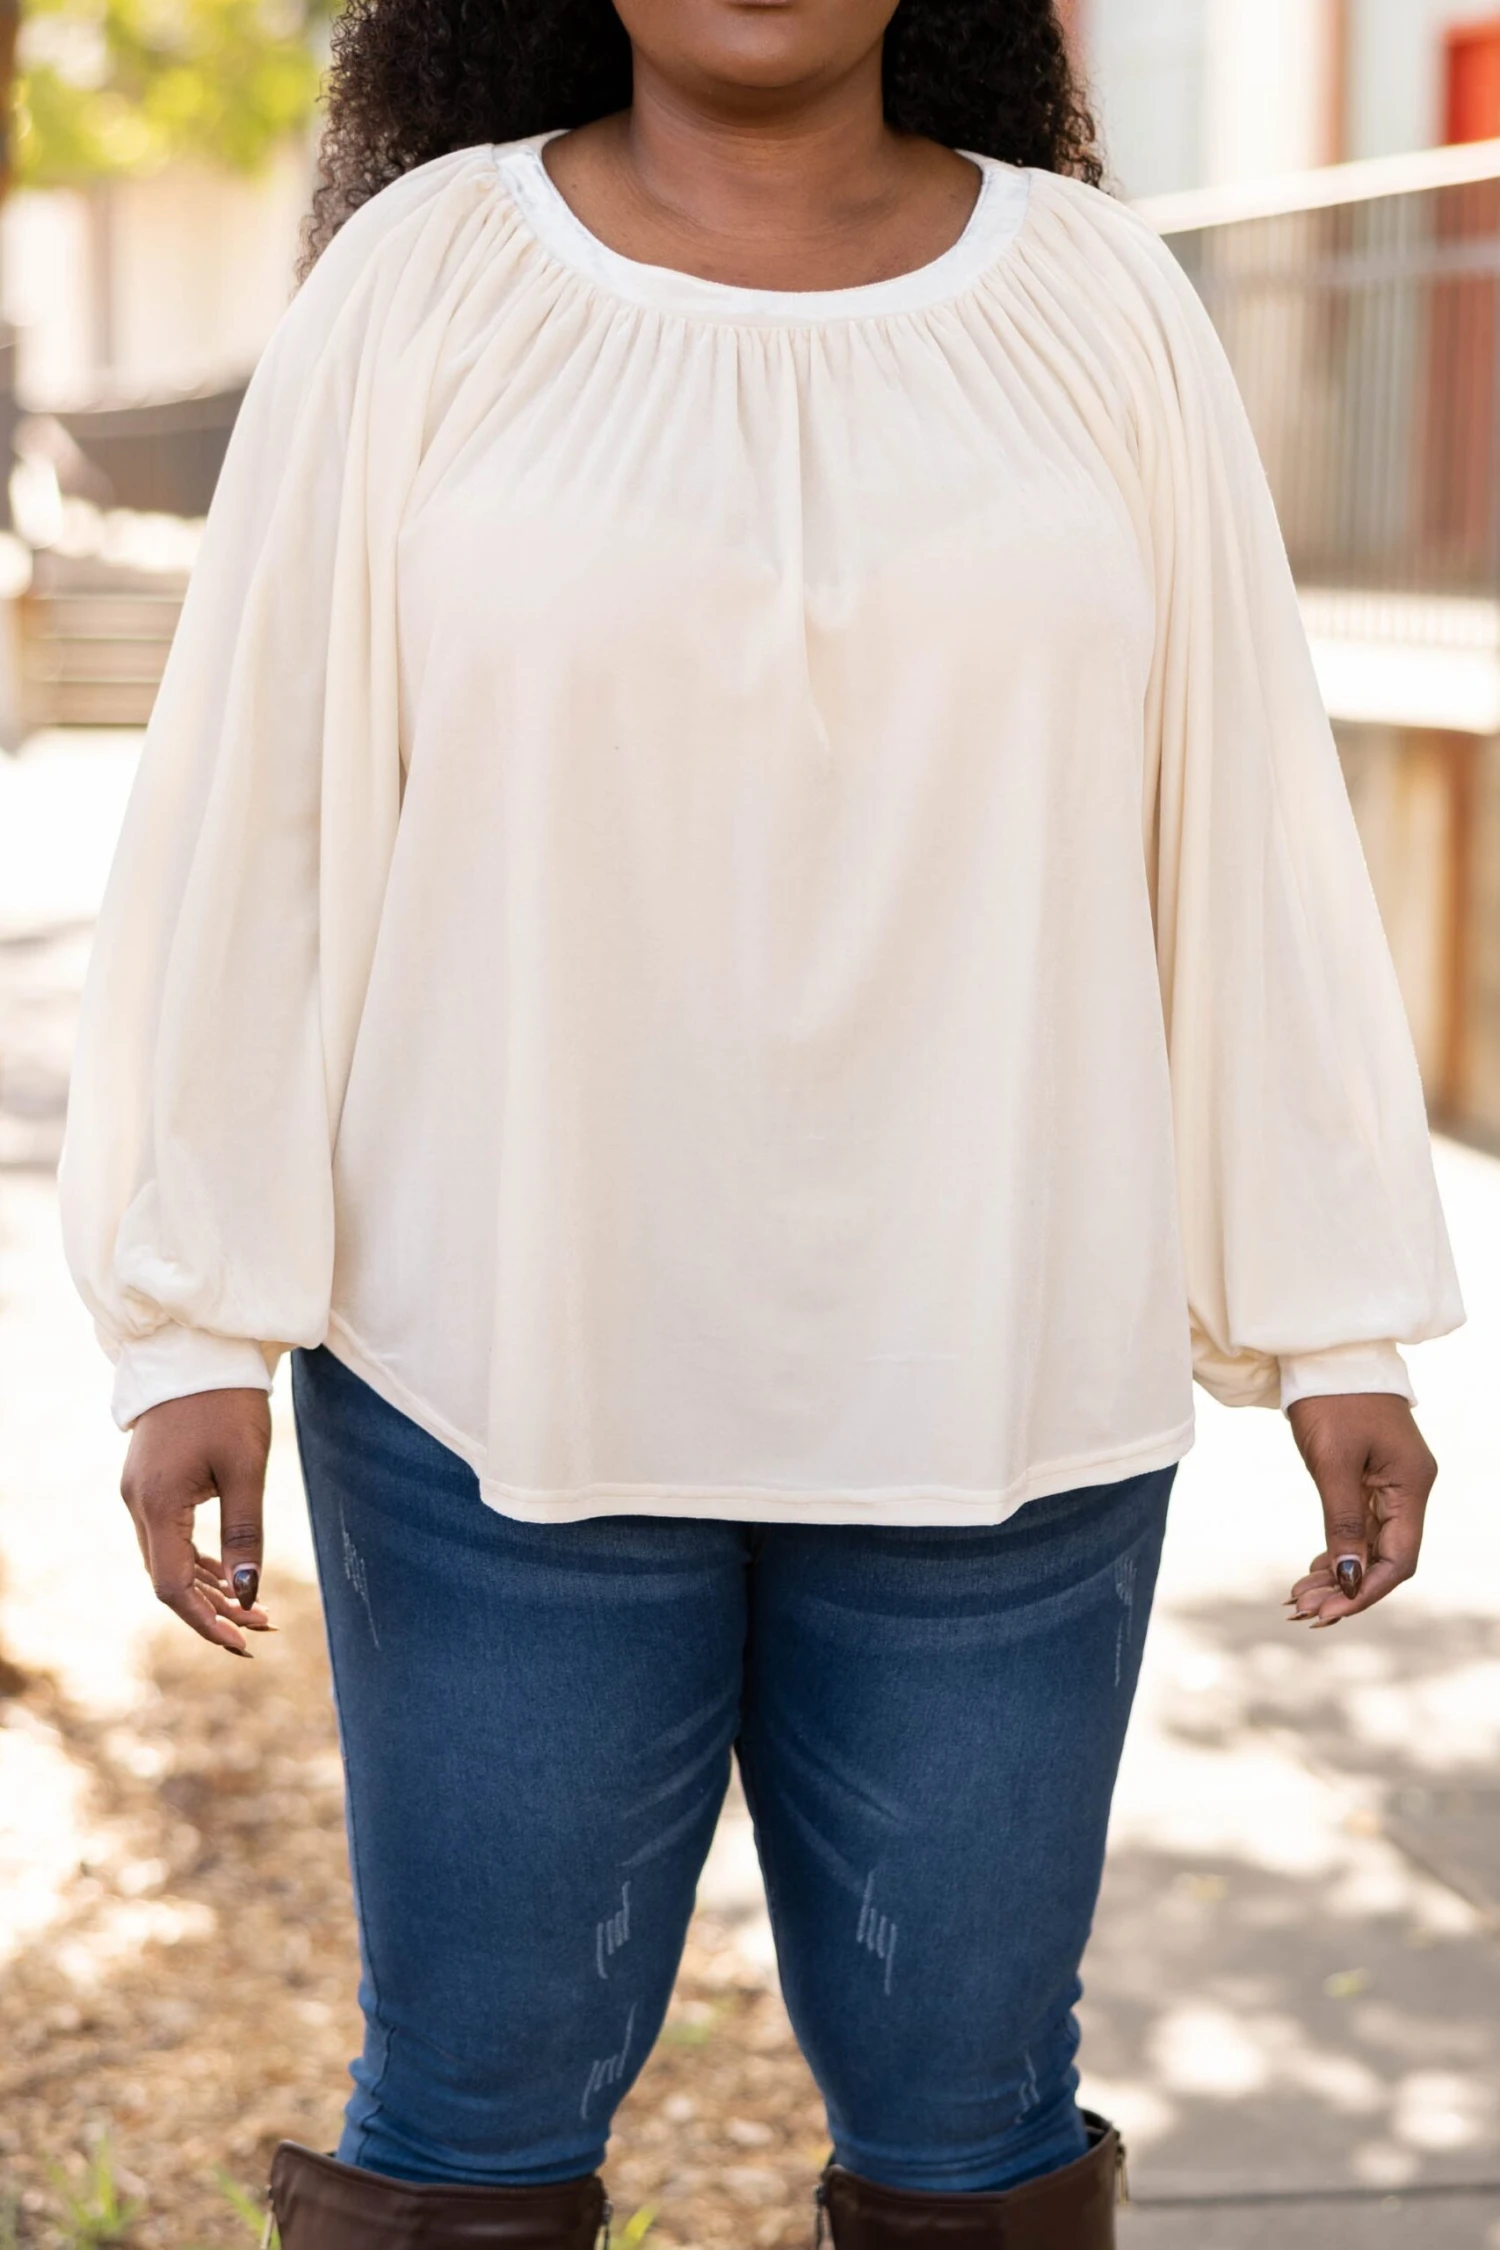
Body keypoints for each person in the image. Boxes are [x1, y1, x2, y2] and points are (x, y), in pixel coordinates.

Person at [59, 0, 1462, 2240]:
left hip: (1006, 1382)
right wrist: (190, 1320)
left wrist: (1335, 1322)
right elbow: (261, 806)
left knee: (974, 2131)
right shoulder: (428, 280)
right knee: (473, 2122)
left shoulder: (1099, 302)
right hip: (496, 1380)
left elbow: (1237, 812)